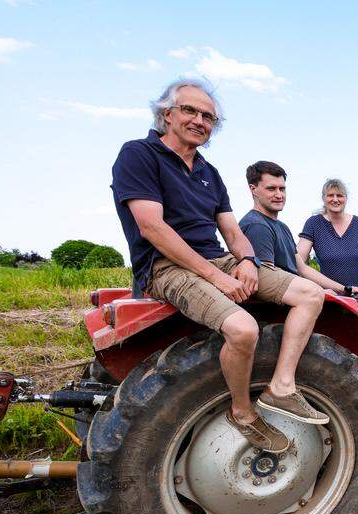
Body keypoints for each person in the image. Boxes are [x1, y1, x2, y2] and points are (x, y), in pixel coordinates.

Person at [111, 78, 329, 456]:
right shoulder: (139, 155)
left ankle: (281, 387)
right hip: (165, 267)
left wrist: (244, 260)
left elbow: (230, 228)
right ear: (167, 114)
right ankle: (242, 412)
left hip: (218, 258)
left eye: (208, 116)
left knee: (310, 293)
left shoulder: (208, 172)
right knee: (243, 329)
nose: (199, 120)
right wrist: (216, 276)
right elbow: (152, 227)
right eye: (190, 111)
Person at [239, 161, 358, 295]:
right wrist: (319, 291)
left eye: (282, 189)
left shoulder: (282, 227)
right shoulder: (257, 226)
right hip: (283, 304)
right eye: (271, 188)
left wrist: (344, 288)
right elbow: (268, 280)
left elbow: (301, 268)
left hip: (298, 294)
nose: (279, 195)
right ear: (253, 189)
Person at [296, 179, 358, 319]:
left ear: (346, 198)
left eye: (340, 195)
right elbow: (299, 260)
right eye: (330, 195)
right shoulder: (314, 224)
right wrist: (316, 288)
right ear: (324, 198)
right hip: (337, 296)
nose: (335, 199)